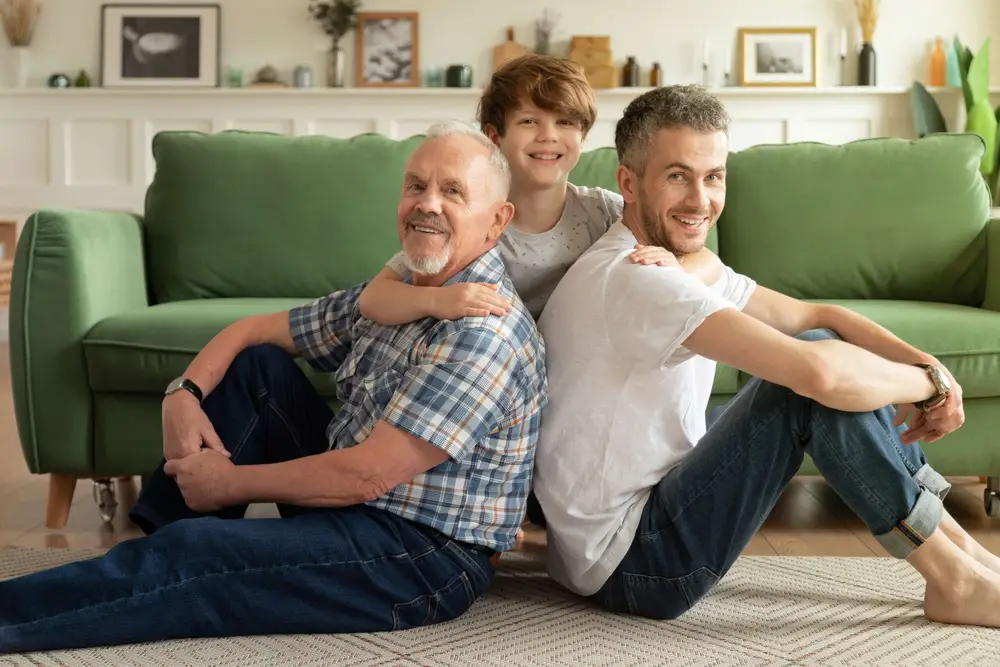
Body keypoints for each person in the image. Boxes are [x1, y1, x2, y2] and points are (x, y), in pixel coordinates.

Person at [0, 120, 548, 654]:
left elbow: (367, 474)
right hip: (356, 500)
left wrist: (231, 483)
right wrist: (181, 395)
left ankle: (155, 567)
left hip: (418, 556)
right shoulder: (403, 285)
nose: (427, 203)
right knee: (259, 369)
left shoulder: (483, 331)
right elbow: (255, 331)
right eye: (415, 186)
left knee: (201, 555)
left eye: (453, 191)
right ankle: (157, 557)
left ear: (497, 221)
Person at [532, 84, 1000, 629]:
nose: (699, 200)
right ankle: (955, 581)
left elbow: (815, 316)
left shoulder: (672, 262)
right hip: (635, 564)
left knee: (821, 356)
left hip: (628, 531)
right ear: (629, 183)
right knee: (806, 387)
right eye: (678, 176)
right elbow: (819, 374)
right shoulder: (638, 279)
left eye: (713, 177)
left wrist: (932, 368)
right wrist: (927, 388)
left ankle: (965, 554)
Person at [358, 54, 721, 326]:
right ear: (493, 136)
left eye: (565, 122)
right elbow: (374, 298)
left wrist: (678, 271)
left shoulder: (606, 213)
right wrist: (436, 301)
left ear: (583, 137)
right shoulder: (472, 221)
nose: (549, 136)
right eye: (530, 121)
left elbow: (704, 258)